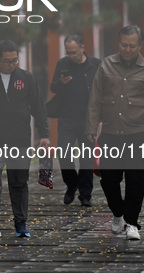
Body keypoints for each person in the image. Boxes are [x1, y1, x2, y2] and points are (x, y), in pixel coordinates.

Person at [86, 25, 144, 241]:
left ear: (140, 46)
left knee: (135, 179)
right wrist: (91, 128)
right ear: (118, 43)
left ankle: (132, 222)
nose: (128, 49)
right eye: (124, 45)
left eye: (132, 46)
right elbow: (94, 99)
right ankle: (118, 213)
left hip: (136, 133)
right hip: (110, 132)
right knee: (109, 179)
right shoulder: (106, 65)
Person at [0, 40, 50, 238]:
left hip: (20, 139)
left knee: (19, 182)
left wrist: (45, 135)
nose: (11, 65)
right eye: (7, 61)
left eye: (15, 60)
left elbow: (39, 108)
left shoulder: (27, 78)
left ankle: (20, 223)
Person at [50, 35, 100, 207]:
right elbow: (53, 87)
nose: (71, 56)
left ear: (82, 47)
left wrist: (100, 119)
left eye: (74, 52)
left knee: (86, 159)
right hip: (67, 118)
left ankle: (85, 195)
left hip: (88, 119)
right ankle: (72, 185)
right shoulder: (62, 64)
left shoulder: (95, 64)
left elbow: (102, 90)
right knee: (64, 154)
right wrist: (62, 83)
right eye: (68, 52)